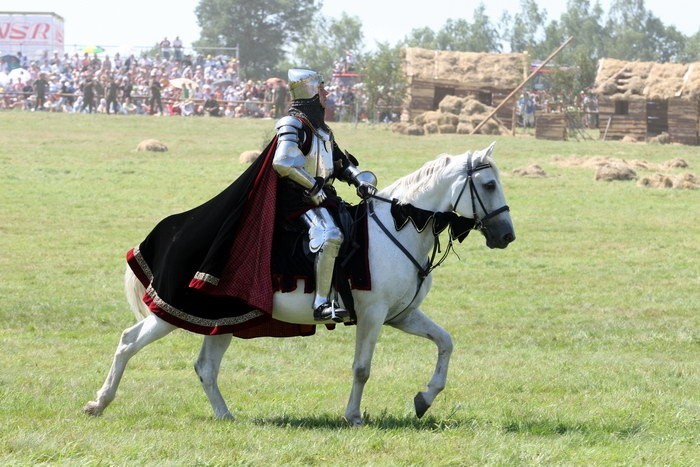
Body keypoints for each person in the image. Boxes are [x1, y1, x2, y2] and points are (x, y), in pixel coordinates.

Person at [272, 68, 377, 321]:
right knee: (330, 235)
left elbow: (340, 164)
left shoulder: (323, 130)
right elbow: (283, 162)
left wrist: (359, 179)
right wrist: (312, 185)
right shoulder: (292, 124)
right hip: (298, 200)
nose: (326, 93)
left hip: (324, 197)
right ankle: (320, 305)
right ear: (309, 91)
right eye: (321, 89)